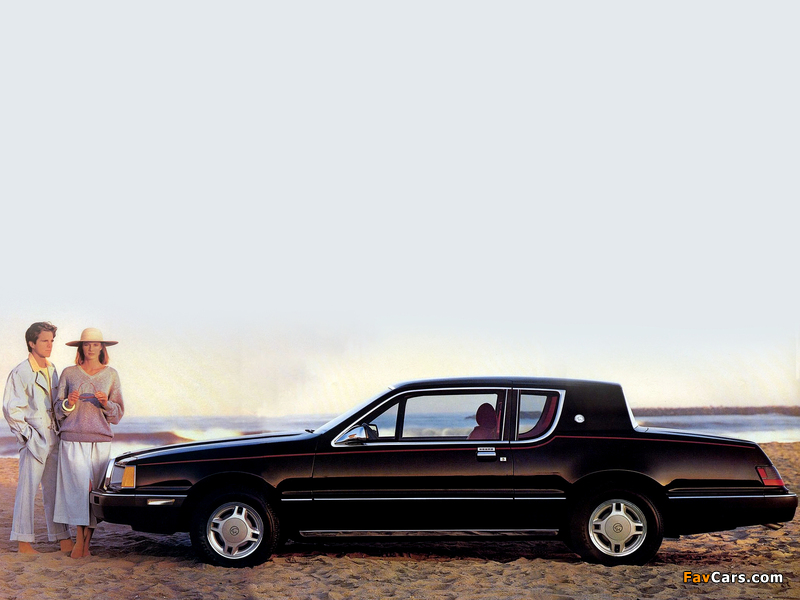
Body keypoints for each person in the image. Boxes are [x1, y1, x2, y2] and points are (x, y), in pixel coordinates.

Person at [2, 322, 73, 554]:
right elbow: (11, 409)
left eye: (51, 341)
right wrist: (28, 437)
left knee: (55, 492)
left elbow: (55, 405)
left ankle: (63, 538)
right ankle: (24, 543)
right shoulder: (21, 372)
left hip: (54, 438)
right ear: (32, 343)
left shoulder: (53, 369)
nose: (50, 345)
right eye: (44, 341)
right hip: (34, 441)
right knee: (27, 491)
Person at [54, 328, 124, 558]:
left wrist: (105, 404)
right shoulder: (69, 373)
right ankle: (79, 539)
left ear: (102, 347)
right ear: (81, 347)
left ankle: (87, 541)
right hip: (72, 438)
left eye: (95, 344)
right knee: (77, 490)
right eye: (87, 344)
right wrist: (69, 403)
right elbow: (57, 410)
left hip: (100, 439)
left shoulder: (111, 375)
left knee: (93, 491)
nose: (91, 348)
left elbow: (117, 413)